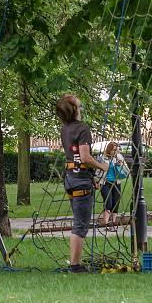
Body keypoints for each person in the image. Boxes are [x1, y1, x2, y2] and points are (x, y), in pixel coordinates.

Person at [56, 94, 108, 273]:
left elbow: (75, 156)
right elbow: (84, 157)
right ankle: (75, 265)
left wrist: (91, 176)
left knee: (78, 221)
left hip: (71, 178)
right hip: (80, 181)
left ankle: (74, 263)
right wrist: (103, 166)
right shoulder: (82, 129)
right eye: (79, 104)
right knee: (81, 224)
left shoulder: (65, 129)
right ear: (75, 109)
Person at [96, 141, 129, 228]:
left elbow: (127, 170)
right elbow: (97, 171)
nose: (115, 152)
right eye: (114, 150)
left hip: (116, 183)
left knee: (116, 202)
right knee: (108, 202)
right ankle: (106, 223)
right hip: (105, 183)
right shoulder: (102, 158)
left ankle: (113, 223)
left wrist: (120, 164)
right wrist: (97, 181)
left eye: (116, 150)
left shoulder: (118, 157)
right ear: (109, 150)